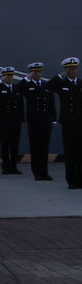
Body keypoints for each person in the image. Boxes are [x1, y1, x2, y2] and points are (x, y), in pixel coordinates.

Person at [47, 57, 82, 187]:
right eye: (70, 68)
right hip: (68, 123)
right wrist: (61, 75)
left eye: (75, 68)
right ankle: (71, 181)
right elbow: (49, 86)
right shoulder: (62, 84)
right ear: (67, 70)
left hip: (80, 123)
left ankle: (80, 180)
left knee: (80, 153)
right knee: (70, 153)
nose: (73, 71)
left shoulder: (80, 83)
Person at [22, 62, 56, 180]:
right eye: (35, 72)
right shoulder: (27, 86)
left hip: (46, 121)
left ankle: (44, 172)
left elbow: (52, 104)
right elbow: (18, 89)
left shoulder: (46, 85)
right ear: (31, 73)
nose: (37, 74)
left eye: (39, 72)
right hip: (34, 121)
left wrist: (54, 120)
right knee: (35, 147)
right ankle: (36, 172)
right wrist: (27, 78)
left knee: (44, 148)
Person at [0, 67, 25, 174]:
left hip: (16, 121)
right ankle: (6, 166)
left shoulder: (16, 88)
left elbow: (20, 104)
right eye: (8, 76)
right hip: (4, 121)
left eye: (11, 76)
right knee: (5, 145)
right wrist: (0, 80)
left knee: (15, 145)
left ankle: (13, 166)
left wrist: (21, 119)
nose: (10, 78)